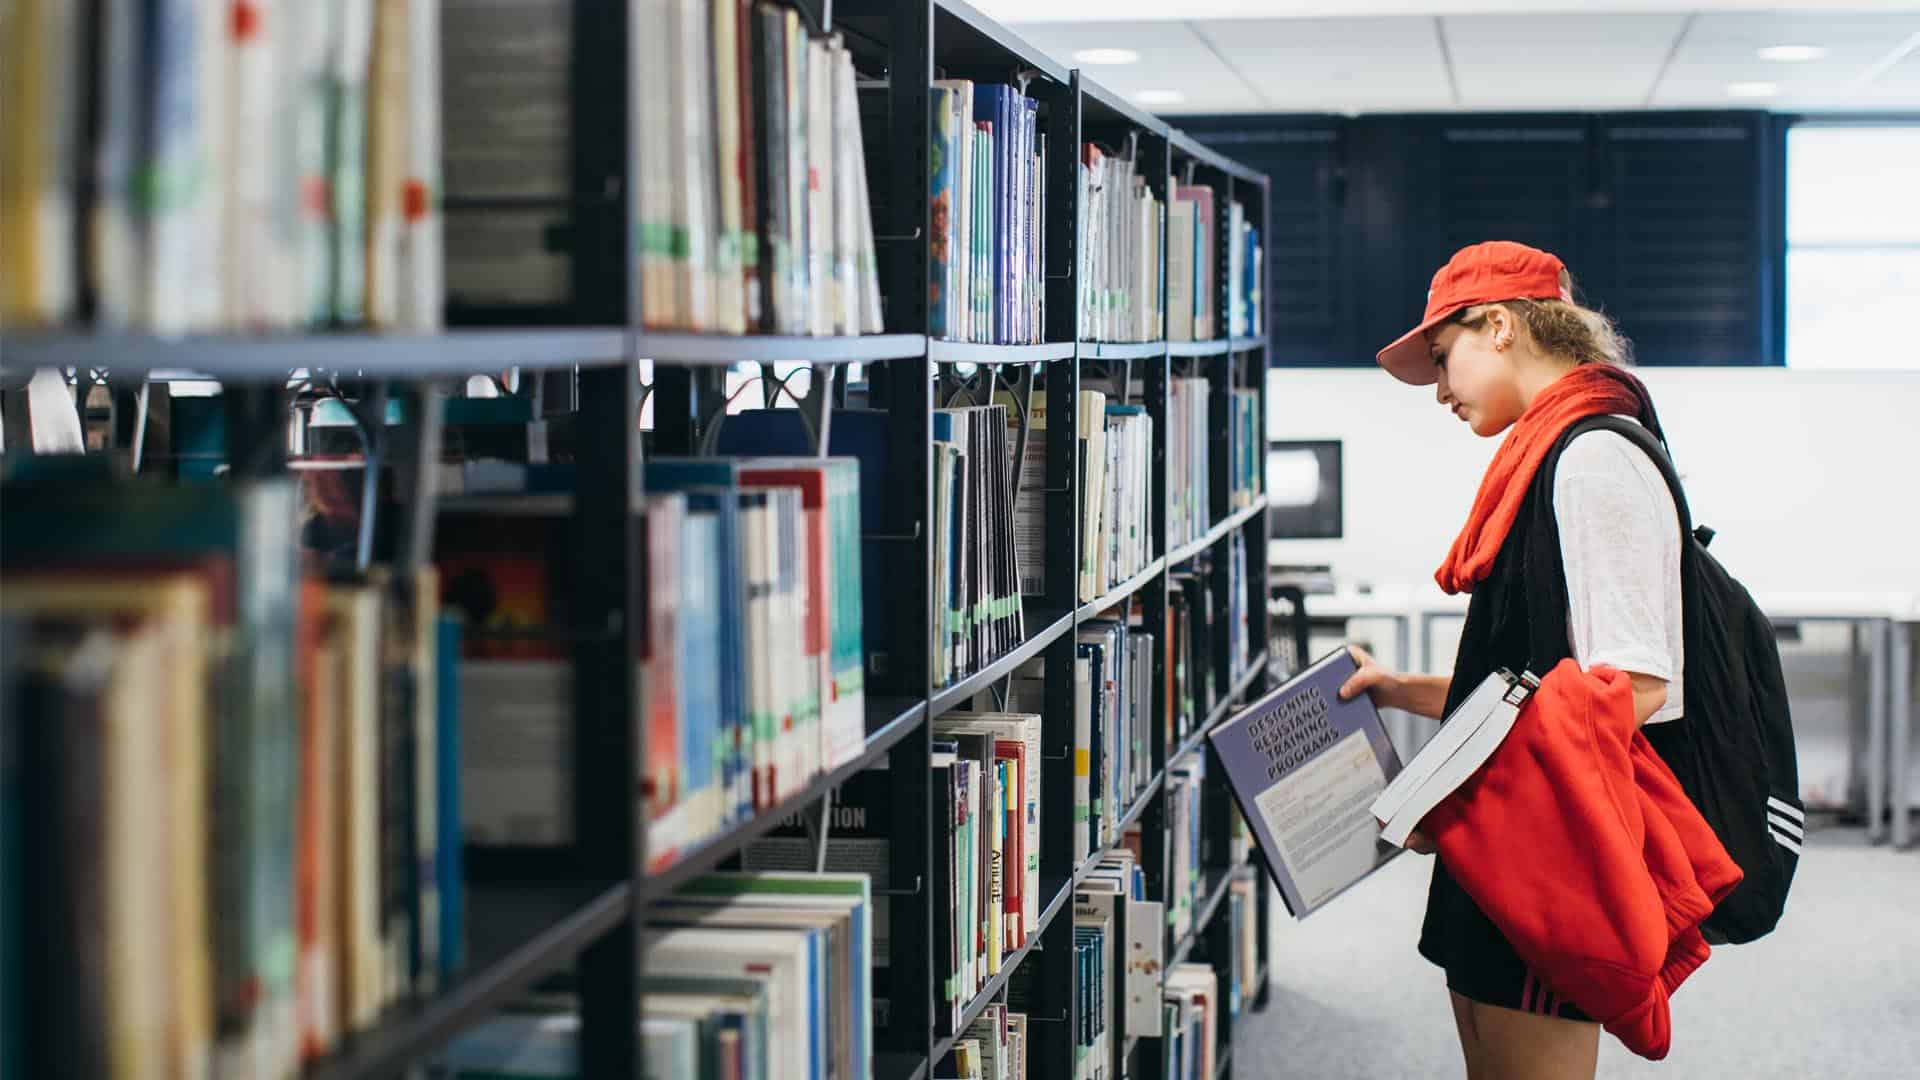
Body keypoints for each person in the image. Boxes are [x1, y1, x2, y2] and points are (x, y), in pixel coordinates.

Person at [1338, 241, 1685, 1080]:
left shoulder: (1595, 456)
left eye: (1442, 357)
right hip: (1504, 841)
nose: (1441, 392)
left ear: (1498, 326)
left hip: (1548, 850)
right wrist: (1400, 690)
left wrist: (1447, 787)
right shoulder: (1543, 456)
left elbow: (1635, 684)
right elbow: (1522, 678)